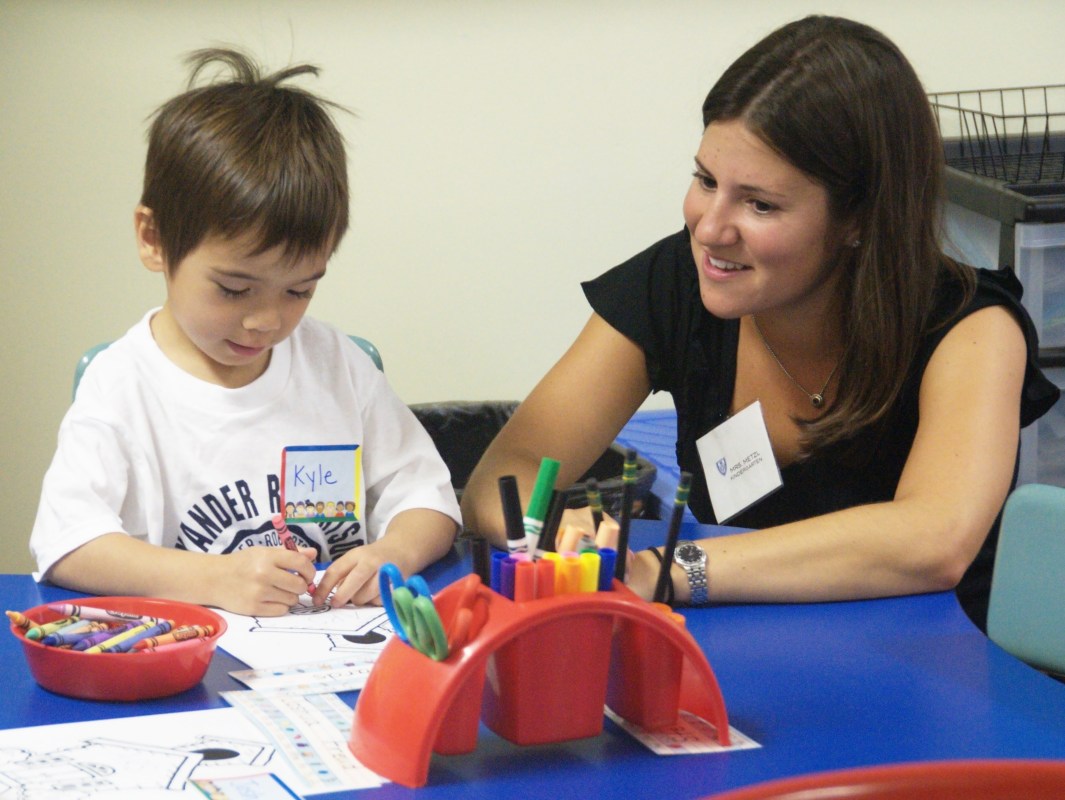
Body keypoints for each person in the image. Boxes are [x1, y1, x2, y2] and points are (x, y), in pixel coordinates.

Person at [460, 15, 1059, 630]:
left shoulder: (971, 327)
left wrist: (669, 569)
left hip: (926, 670)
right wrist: (558, 530)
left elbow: (934, 541)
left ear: (858, 220)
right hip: (742, 649)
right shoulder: (680, 279)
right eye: (705, 180)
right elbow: (505, 473)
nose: (710, 228)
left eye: (760, 203)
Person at [30, 49, 460, 616]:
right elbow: (69, 544)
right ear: (154, 238)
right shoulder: (123, 383)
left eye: (299, 290)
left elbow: (430, 499)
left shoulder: (336, 366)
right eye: (234, 289)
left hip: (328, 664)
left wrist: (394, 551)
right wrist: (211, 579)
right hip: (189, 670)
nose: (268, 321)